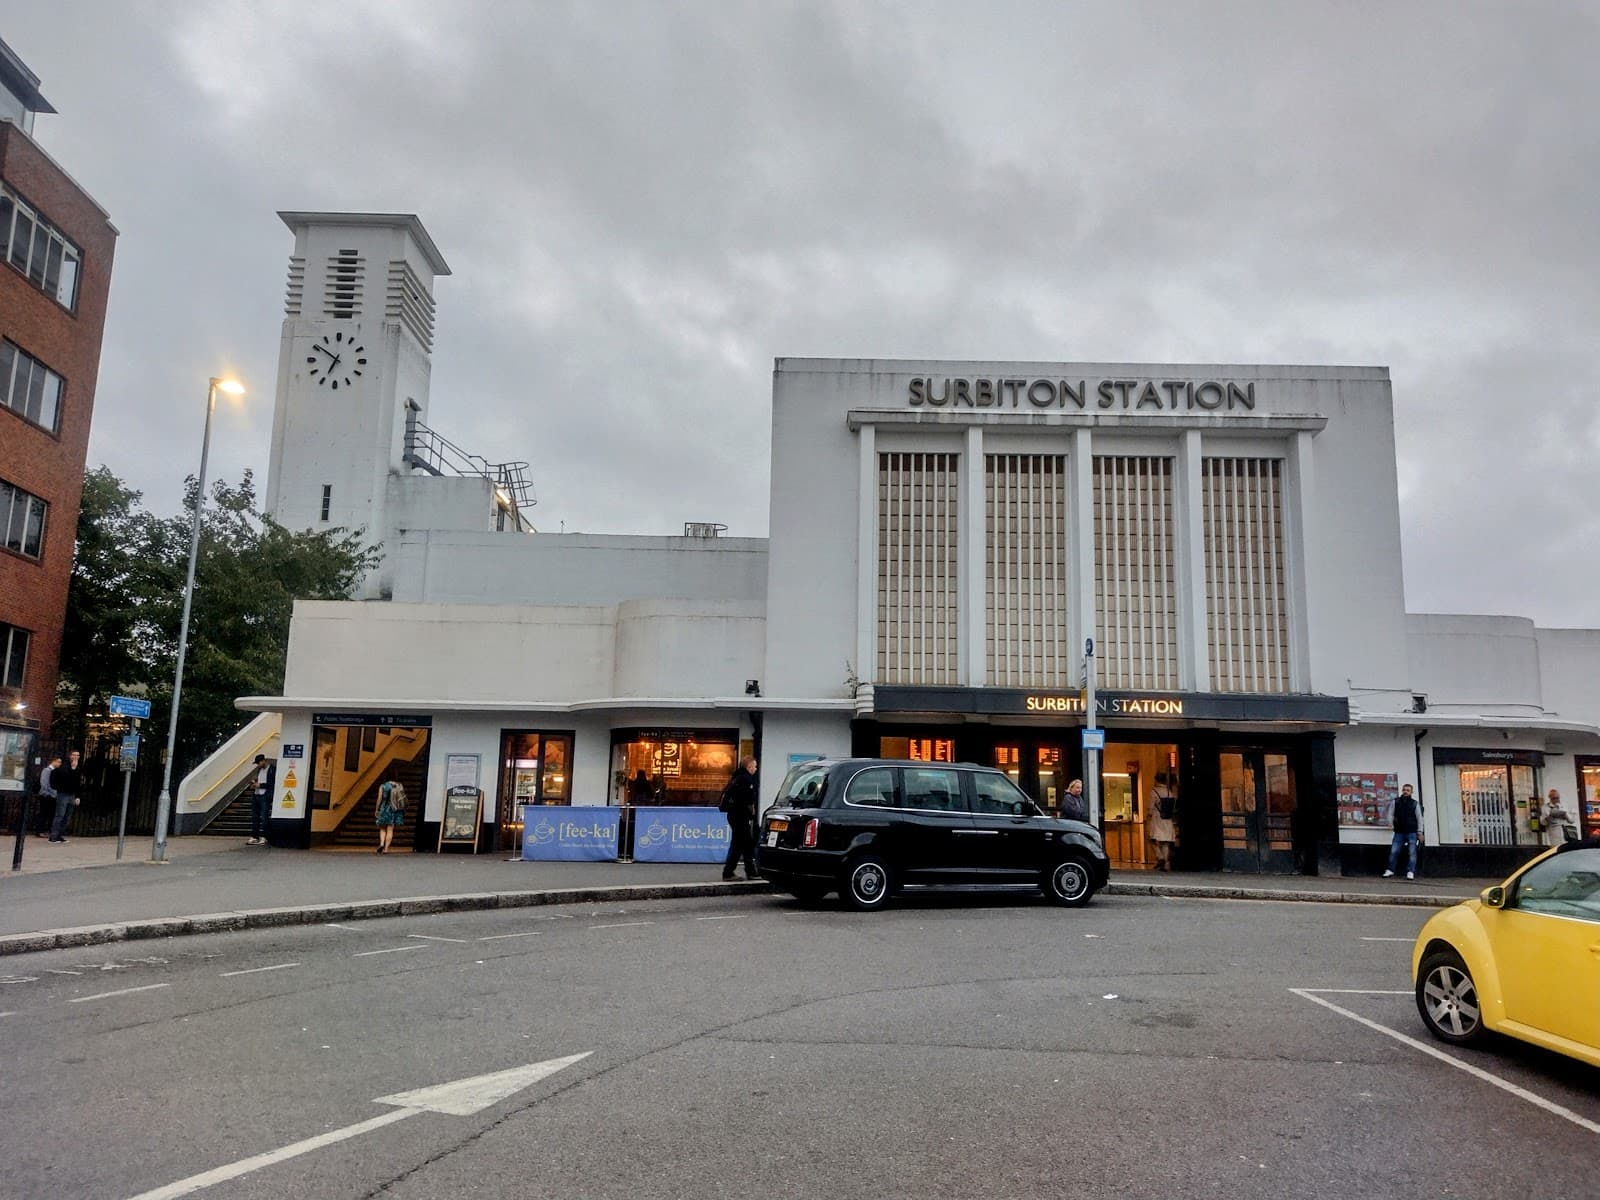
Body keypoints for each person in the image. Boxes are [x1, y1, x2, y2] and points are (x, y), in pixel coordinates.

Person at [718, 756, 759, 881]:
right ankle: (729, 872)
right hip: (740, 816)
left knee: (746, 843)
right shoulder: (746, 780)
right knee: (739, 844)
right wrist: (752, 814)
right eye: (755, 766)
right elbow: (749, 801)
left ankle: (750, 871)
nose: (756, 769)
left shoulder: (736, 777)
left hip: (733, 815)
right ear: (749, 767)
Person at [1383, 783, 1422, 880]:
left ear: (1411, 792)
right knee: (1394, 851)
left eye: (1408, 790)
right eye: (1404, 790)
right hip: (1399, 831)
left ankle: (1410, 871)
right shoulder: (1395, 802)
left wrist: (1420, 831)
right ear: (1402, 790)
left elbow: (1419, 818)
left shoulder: (1415, 804)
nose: (1405, 791)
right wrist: (1390, 823)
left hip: (1412, 831)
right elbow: (1390, 813)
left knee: (1412, 852)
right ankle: (1390, 870)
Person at [48, 750, 82, 843]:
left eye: (77, 755)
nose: (75, 757)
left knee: (67, 816)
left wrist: (77, 796)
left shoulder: (77, 769)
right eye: (74, 755)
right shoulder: (64, 767)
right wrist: (72, 769)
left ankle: (60, 835)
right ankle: (53, 836)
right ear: (70, 756)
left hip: (72, 794)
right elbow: (64, 778)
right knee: (60, 815)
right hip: (63, 794)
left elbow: (77, 783)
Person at [1148, 771, 1178, 871]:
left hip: (1157, 818)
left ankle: (1160, 857)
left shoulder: (1154, 791)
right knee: (1165, 842)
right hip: (1167, 819)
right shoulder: (1170, 792)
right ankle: (1165, 863)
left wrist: (1148, 815)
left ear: (1156, 780)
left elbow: (1151, 807)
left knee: (1152, 839)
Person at [247, 753, 275, 846]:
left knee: (264, 817)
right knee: (255, 817)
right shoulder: (259, 770)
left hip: (265, 796)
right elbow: (259, 781)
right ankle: (255, 836)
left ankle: (266, 836)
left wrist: (260, 785)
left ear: (263, 761)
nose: (258, 765)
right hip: (257, 794)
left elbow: (272, 784)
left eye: (258, 763)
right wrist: (254, 783)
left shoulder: (272, 770)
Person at [375, 777, 406, 853]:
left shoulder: (383, 786)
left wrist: (377, 809)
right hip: (394, 809)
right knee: (390, 830)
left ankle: (381, 843)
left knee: (382, 828)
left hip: (384, 808)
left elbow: (379, 799)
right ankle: (386, 849)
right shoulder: (399, 786)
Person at [36, 755, 61, 839]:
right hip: (46, 795)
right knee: (43, 813)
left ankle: (46, 830)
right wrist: (49, 793)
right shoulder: (47, 770)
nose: (59, 764)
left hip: (52, 795)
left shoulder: (55, 771)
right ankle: (40, 831)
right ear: (53, 761)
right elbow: (44, 783)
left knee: (50, 814)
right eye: (58, 762)